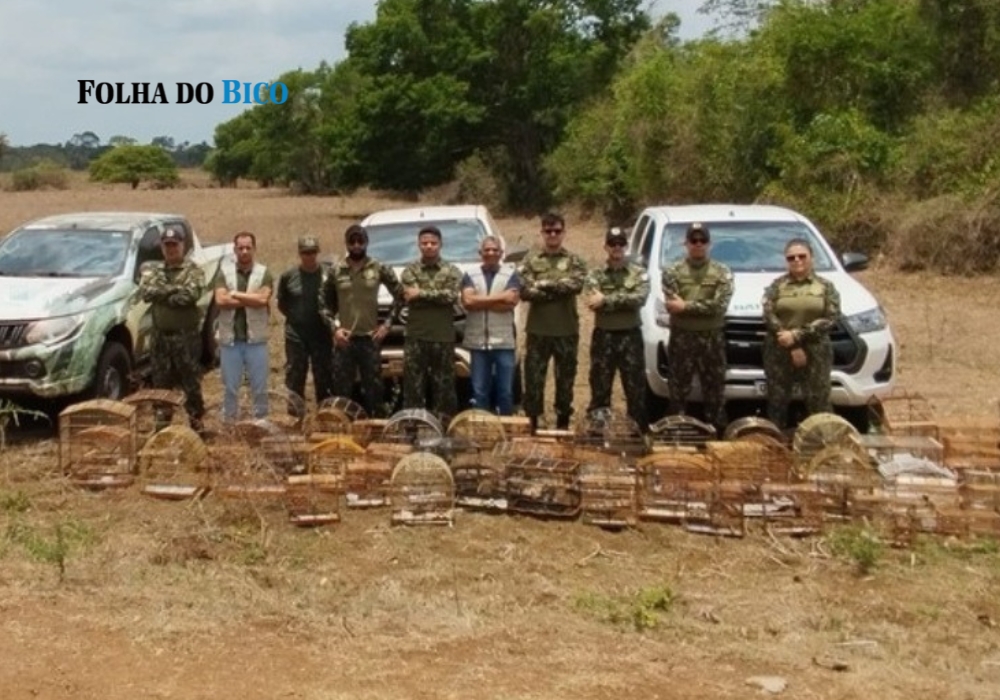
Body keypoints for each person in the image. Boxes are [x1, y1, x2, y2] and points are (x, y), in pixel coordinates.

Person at [320, 224, 404, 417]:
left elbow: (400, 297)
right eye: (352, 241)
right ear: (346, 243)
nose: (357, 245)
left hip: (370, 340)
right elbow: (323, 304)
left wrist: (387, 326)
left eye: (361, 241)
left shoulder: (379, 267)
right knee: (342, 393)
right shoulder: (336, 270)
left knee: (374, 392)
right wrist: (334, 329)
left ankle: (376, 428)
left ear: (367, 242)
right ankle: (344, 429)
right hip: (345, 341)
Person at [519, 213, 589, 433]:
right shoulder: (530, 260)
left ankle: (562, 424)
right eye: (548, 231)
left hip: (566, 331)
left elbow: (576, 285)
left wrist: (541, 285)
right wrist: (558, 287)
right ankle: (532, 424)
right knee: (534, 380)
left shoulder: (575, 261)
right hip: (538, 331)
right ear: (542, 232)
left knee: (565, 380)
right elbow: (524, 290)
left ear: (563, 233)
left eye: (557, 231)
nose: (552, 235)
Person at [661, 222, 734, 432]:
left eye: (703, 240)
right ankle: (676, 435)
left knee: (715, 393)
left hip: (712, 340)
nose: (698, 244)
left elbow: (720, 305)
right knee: (677, 392)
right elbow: (673, 305)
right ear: (686, 243)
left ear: (709, 244)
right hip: (682, 338)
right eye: (694, 240)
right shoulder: (672, 272)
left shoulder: (722, 272)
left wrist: (687, 306)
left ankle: (717, 436)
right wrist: (692, 307)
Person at [762, 238, 841, 430]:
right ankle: (775, 441)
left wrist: (797, 336)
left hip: (816, 349)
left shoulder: (825, 286)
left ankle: (824, 439)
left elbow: (831, 317)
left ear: (811, 257)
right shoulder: (776, 286)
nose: (797, 260)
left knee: (819, 399)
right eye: (791, 257)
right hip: (780, 348)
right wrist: (790, 341)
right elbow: (768, 314)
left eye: (802, 256)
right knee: (777, 401)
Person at [136, 226, 206, 432]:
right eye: (167, 245)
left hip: (186, 338)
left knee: (190, 384)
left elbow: (189, 297)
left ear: (182, 245)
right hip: (160, 339)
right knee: (161, 385)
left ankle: (196, 426)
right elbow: (146, 293)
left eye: (174, 245)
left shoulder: (193, 270)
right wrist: (175, 290)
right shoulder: (154, 270)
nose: (171, 249)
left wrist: (162, 293)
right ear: (162, 248)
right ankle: (162, 428)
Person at [585, 227, 651, 431]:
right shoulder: (595, 274)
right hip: (604, 337)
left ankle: (637, 434)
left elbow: (639, 299)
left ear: (626, 246)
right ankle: (598, 434)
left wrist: (606, 300)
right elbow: (592, 301)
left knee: (635, 389)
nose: (617, 247)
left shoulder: (639, 273)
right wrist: (622, 301)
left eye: (621, 243)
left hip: (630, 337)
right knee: (600, 388)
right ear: (605, 247)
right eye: (612, 244)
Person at [400, 225, 464, 418]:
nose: (429, 246)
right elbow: (409, 296)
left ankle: (444, 426)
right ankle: (413, 425)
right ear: (418, 245)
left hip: (442, 337)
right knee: (413, 387)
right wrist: (436, 296)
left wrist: (421, 293)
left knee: (444, 388)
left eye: (433, 243)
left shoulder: (452, 271)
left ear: (440, 244)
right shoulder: (409, 271)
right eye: (425, 243)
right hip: (416, 337)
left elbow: (451, 296)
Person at [213, 231, 273, 422]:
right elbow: (220, 301)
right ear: (235, 249)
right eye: (241, 248)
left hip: (256, 341)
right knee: (230, 387)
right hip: (230, 341)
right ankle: (229, 423)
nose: (244, 251)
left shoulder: (264, 273)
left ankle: (261, 423)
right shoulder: (224, 272)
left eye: (248, 247)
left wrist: (235, 294)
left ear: (254, 249)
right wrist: (250, 299)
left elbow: (263, 300)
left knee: (260, 388)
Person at [460, 235, 521, 415]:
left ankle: (506, 427)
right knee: (479, 392)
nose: (491, 253)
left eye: (495, 250)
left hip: (504, 342)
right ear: (480, 253)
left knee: (505, 392)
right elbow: (468, 302)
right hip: (478, 342)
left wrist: (480, 301)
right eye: (487, 250)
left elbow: (510, 302)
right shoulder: (470, 275)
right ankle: (483, 428)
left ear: (501, 253)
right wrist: (499, 298)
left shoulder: (510, 274)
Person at [276, 236, 334, 414]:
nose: (309, 256)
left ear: (318, 252)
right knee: (295, 376)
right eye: (305, 253)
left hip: (321, 333)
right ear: (300, 254)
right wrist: (296, 318)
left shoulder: (328, 274)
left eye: (313, 252)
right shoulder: (288, 276)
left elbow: (335, 300)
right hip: (296, 335)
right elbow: (282, 304)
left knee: (324, 377)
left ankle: (325, 415)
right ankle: (296, 415)